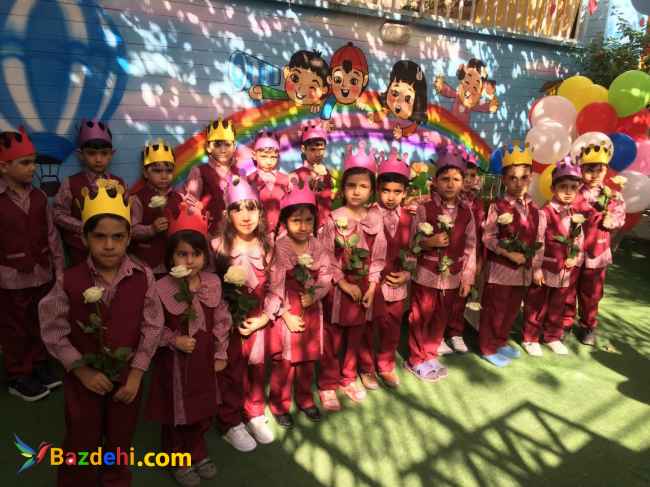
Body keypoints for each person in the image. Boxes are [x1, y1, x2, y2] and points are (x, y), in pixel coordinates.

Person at [40, 179, 163, 486]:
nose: (109, 245)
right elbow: (54, 331)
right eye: (100, 236)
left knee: (120, 438)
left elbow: (152, 326)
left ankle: (114, 478)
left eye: (118, 237)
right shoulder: (68, 280)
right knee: (81, 438)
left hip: (127, 379)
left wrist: (136, 375)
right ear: (84, 237)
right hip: (84, 381)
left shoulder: (143, 276)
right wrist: (82, 372)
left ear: (129, 237)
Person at [147, 203, 231, 486]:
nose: (190, 260)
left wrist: (220, 352)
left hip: (204, 359)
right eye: (182, 254)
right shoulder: (160, 287)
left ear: (205, 255)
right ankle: (175, 455)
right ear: (170, 256)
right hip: (174, 363)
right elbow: (151, 326)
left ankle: (197, 450)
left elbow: (221, 319)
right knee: (176, 411)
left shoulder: (212, 282)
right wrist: (174, 339)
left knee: (202, 406)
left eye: (196, 253)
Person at [317, 142, 386, 410]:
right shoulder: (333, 219)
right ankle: (328, 383)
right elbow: (325, 256)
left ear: (372, 190)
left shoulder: (376, 217)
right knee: (333, 337)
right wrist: (343, 283)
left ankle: (348, 377)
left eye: (363, 186)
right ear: (343, 188)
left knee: (356, 335)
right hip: (339, 289)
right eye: (351, 185)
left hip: (365, 288)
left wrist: (372, 287)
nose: (357, 191)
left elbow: (379, 256)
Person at [211, 176, 276, 449]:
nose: (246, 216)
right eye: (238, 209)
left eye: (252, 208)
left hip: (259, 320)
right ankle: (230, 421)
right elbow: (210, 290)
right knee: (232, 371)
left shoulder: (268, 245)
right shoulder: (217, 247)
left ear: (260, 212)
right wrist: (228, 319)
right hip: (228, 324)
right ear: (227, 214)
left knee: (257, 368)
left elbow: (277, 286)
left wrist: (265, 317)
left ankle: (255, 412)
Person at [0, 127, 65, 401]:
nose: (33, 168)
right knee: (14, 328)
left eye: (34, 161)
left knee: (40, 321)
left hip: (41, 273)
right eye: (25, 163)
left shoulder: (39, 196)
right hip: (9, 278)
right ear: (4, 166)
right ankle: (18, 374)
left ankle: (38, 364)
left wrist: (59, 270)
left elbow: (51, 235)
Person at [407, 145, 476, 380]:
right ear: (435, 181)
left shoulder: (467, 212)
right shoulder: (424, 208)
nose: (450, 184)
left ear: (463, 183)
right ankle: (416, 358)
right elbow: (412, 242)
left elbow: (471, 246)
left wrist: (467, 277)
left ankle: (430, 352)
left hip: (452, 277)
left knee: (441, 317)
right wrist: (429, 242)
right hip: (426, 274)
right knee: (421, 315)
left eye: (456, 179)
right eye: (445, 179)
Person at [266, 183, 332, 427]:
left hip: (312, 310)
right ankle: (279, 404)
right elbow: (274, 285)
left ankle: (305, 399)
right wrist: (285, 314)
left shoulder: (317, 245)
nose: (303, 227)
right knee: (284, 364)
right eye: (296, 221)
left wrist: (315, 294)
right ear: (285, 221)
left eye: (308, 220)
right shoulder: (280, 247)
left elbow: (326, 275)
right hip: (288, 312)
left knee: (308, 359)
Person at [478, 142, 544, 367]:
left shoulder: (535, 209)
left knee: (512, 309)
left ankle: (500, 340)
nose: (519, 183)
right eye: (513, 178)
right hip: (500, 271)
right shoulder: (497, 207)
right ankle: (487, 347)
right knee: (495, 309)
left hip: (523, 272)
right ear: (504, 180)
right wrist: (508, 253)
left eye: (524, 177)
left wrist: (536, 267)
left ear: (531, 178)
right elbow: (488, 237)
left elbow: (539, 240)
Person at [522, 160, 589, 356]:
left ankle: (552, 336)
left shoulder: (575, 213)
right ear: (553, 188)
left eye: (573, 188)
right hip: (545, 268)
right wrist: (536, 268)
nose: (568, 192)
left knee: (558, 304)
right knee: (536, 303)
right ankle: (530, 337)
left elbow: (579, 239)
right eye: (563, 187)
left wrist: (575, 257)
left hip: (564, 271)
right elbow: (538, 241)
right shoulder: (544, 213)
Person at [564, 134, 626, 346]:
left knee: (592, 292)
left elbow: (620, 216)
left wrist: (612, 220)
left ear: (606, 170)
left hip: (597, 252)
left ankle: (588, 325)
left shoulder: (613, 195)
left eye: (599, 170)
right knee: (568, 288)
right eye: (589, 169)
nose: (594, 175)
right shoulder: (573, 192)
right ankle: (565, 321)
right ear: (580, 169)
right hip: (574, 250)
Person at [358, 149, 412, 389]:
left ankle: (386, 365)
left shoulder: (411, 218)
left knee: (393, 326)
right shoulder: (367, 215)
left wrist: (407, 274)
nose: (390, 197)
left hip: (397, 284)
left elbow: (414, 250)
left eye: (397, 192)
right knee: (368, 326)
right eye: (385, 190)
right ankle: (366, 367)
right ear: (377, 189)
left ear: (405, 192)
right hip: (373, 284)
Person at [53, 119, 124, 265]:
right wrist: (83, 226)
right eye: (91, 153)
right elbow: (58, 213)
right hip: (80, 253)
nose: (98, 159)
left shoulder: (120, 183)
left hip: (112, 252)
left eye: (104, 153)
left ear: (111, 154)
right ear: (81, 154)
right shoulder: (70, 183)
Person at [130, 139, 182, 276]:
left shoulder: (179, 198)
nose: (164, 176)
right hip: (147, 265)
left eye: (168, 171)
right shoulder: (138, 199)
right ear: (145, 173)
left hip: (173, 264)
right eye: (157, 171)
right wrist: (151, 229)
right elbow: (130, 230)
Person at [184, 118, 239, 235]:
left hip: (235, 233)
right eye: (217, 145)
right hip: (209, 233)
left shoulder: (239, 172)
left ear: (234, 146)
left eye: (227, 144)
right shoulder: (199, 171)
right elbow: (190, 205)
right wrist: (201, 210)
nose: (223, 150)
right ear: (208, 147)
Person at [247, 131, 290, 233]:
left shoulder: (285, 180)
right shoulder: (249, 180)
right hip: (258, 234)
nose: (269, 161)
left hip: (283, 233)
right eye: (264, 156)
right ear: (254, 155)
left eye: (273, 157)